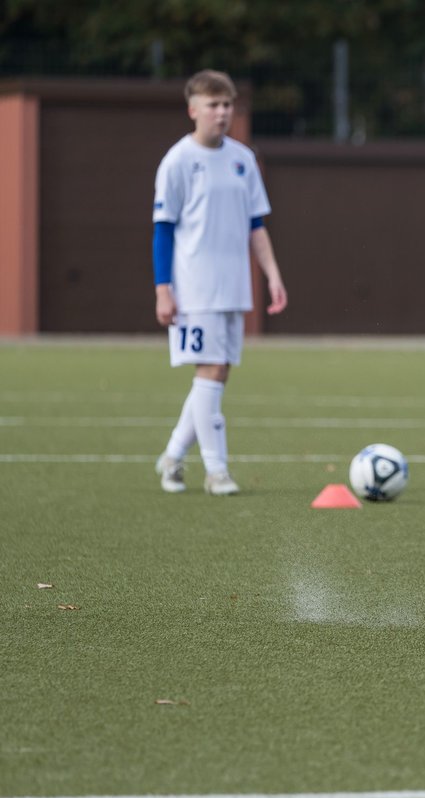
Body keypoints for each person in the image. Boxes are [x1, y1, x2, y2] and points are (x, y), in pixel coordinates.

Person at [152, 70, 287, 496]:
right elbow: (163, 230)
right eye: (213, 105)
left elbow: (255, 225)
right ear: (193, 110)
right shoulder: (177, 161)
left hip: (234, 286)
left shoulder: (242, 158)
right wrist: (163, 288)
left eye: (227, 105)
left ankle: (173, 455)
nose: (222, 112)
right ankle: (217, 471)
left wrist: (272, 275)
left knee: (217, 374)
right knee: (209, 371)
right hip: (194, 287)